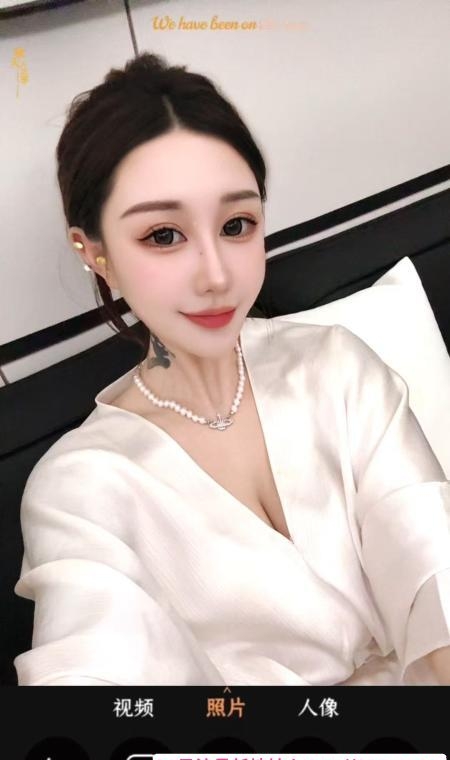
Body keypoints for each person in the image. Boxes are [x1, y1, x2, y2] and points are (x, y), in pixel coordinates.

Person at [14, 52, 450, 686]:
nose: (217, 275)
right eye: (164, 235)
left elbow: (434, 566)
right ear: (95, 252)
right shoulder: (82, 489)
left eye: (237, 225)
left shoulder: (337, 367)